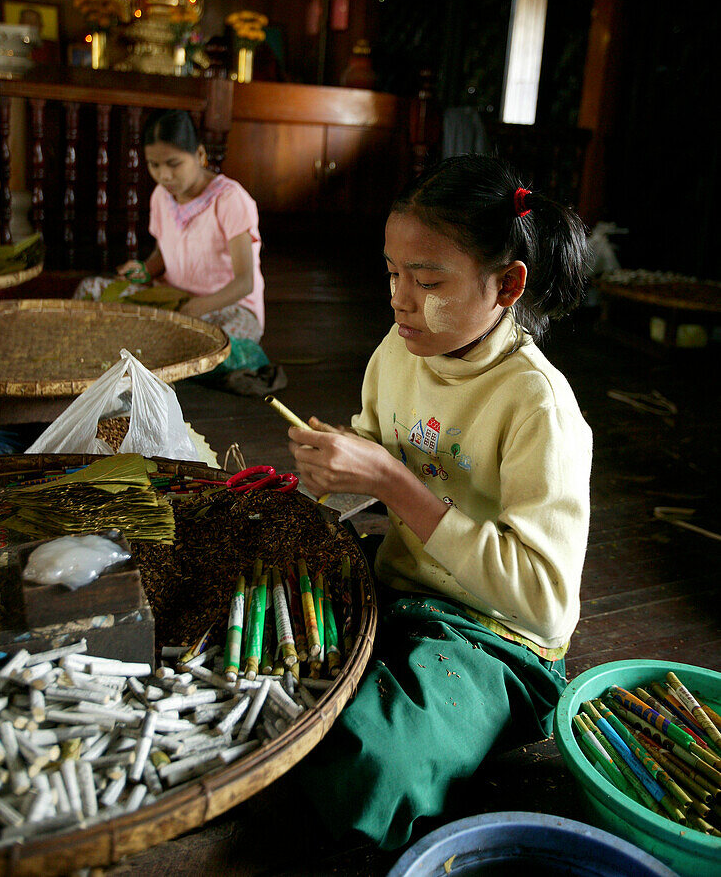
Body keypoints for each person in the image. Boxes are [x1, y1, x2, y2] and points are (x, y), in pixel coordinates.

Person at [288, 154, 593, 849]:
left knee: (371, 764)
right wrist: (330, 472)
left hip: (495, 636)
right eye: (393, 274)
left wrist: (396, 485)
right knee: (262, 657)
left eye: (427, 281)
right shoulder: (399, 350)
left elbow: (545, 601)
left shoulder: (538, 407)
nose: (400, 299)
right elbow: (372, 450)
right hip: (399, 585)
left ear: (507, 285)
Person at [75, 110, 282, 391]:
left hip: (226, 308)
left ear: (199, 155)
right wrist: (143, 271)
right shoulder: (162, 196)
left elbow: (245, 282)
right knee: (91, 289)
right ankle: (150, 355)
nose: (164, 175)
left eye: (173, 164)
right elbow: (163, 254)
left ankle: (146, 358)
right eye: (154, 165)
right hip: (173, 301)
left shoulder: (229, 199)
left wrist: (198, 307)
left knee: (204, 340)